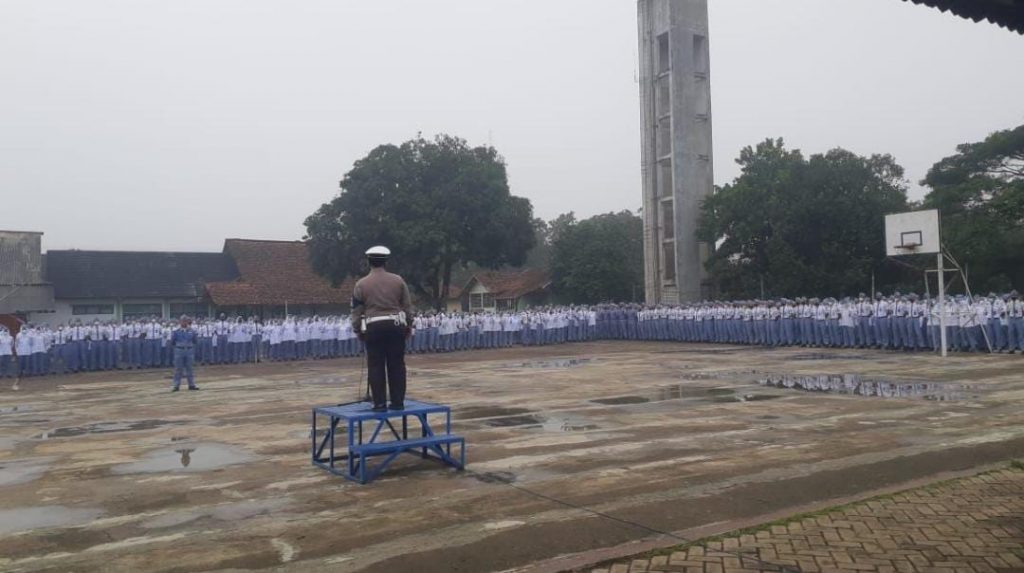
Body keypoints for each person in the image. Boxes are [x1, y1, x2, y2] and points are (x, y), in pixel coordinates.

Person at [350, 245, 413, 412]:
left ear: (369, 262)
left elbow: (356, 311)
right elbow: (407, 306)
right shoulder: (398, 280)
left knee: (375, 365)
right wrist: (409, 325)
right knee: (397, 364)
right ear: (386, 262)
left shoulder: (361, 284)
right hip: (395, 325)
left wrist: (357, 329)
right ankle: (397, 402)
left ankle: (379, 403)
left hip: (374, 327)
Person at [170, 315, 199, 392]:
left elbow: (195, 341)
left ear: (188, 322)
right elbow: (172, 342)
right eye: (183, 321)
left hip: (189, 350)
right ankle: (176, 386)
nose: (184, 322)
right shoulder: (176, 331)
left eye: (186, 321)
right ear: (180, 321)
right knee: (178, 369)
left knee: (190, 368)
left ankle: (191, 385)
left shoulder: (192, 331)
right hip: (179, 350)